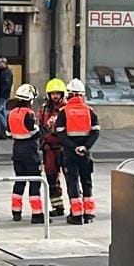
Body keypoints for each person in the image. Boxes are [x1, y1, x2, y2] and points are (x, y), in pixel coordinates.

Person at [53, 79, 100, 225]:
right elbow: (95, 132)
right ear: (81, 95)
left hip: (70, 153)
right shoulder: (90, 111)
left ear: (69, 95)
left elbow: (60, 134)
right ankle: (89, 214)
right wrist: (85, 147)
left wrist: (73, 147)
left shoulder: (63, 112)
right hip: (85, 153)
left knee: (73, 183)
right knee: (87, 181)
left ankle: (76, 215)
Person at [6, 83, 44, 224]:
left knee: (19, 181)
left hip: (17, 150)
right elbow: (35, 133)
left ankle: (16, 212)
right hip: (30, 152)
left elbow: (8, 133)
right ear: (30, 99)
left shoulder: (11, 114)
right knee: (35, 182)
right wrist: (45, 128)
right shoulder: (29, 114)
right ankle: (37, 214)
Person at [37, 78, 68, 218]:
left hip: (64, 148)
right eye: (52, 93)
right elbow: (39, 126)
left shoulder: (67, 109)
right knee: (51, 178)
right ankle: (58, 207)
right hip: (49, 149)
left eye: (57, 93)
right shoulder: (44, 109)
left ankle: (76, 208)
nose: (55, 96)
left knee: (71, 178)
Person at [0, 58, 14, 138]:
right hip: (2, 95)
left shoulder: (6, 73)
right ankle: (4, 130)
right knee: (2, 111)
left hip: (2, 95)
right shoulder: (2, 72)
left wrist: (0, 94)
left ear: (4, 63)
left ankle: (5, 127)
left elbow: (5, 86)